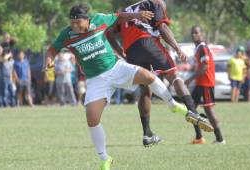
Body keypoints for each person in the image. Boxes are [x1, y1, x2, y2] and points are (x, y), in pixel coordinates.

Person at [42, 4, 211, 170]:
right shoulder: (67, 34)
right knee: (92, 118)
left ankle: (174, 106)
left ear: (86, 20)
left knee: (148, 77)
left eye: (77, 22)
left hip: (116, 68)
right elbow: (52, 49)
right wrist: (48, 60)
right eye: (72, 23)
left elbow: (119, 16)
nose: (74, 26)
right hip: (96, 80)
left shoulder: (99, 19)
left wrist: (137, 16)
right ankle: (104, 159)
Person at [107, 0, 213, 146]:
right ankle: (193, 111)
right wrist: (177, 48)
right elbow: (162, 27)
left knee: (145, 89)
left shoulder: (127, 9)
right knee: (173, 77)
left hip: (131, 51)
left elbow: (109, 33)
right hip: (148, 42)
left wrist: (122, 54)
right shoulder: (156, 3)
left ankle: (147, 134)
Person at [186, 25, 225, 144]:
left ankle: (220, 139)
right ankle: (199, 137)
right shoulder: (198, 48)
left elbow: (205, 66)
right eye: (193, 33)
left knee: (208, 110)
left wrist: (190, 79)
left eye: (197, 32)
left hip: (206, 83)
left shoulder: (203, 48)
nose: (194, 35)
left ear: (202, 34)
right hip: (200, 83)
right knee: (191, 109)